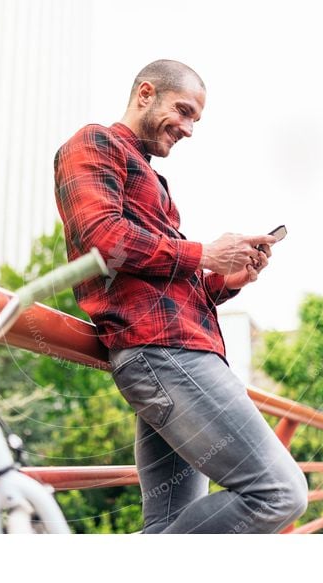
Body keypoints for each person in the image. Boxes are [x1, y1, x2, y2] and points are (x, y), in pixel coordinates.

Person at [53, 59, 308, 534]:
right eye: (184, 111)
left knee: (170, 524)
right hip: (166, 357)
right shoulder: (94, 143)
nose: (189, 129)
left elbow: (162, 281)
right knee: (279, 492)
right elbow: (102, 240)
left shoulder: (150, 178)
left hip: (174, 353)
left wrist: (226, 279)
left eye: (197, 120)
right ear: (145, 94)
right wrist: (206, 252)